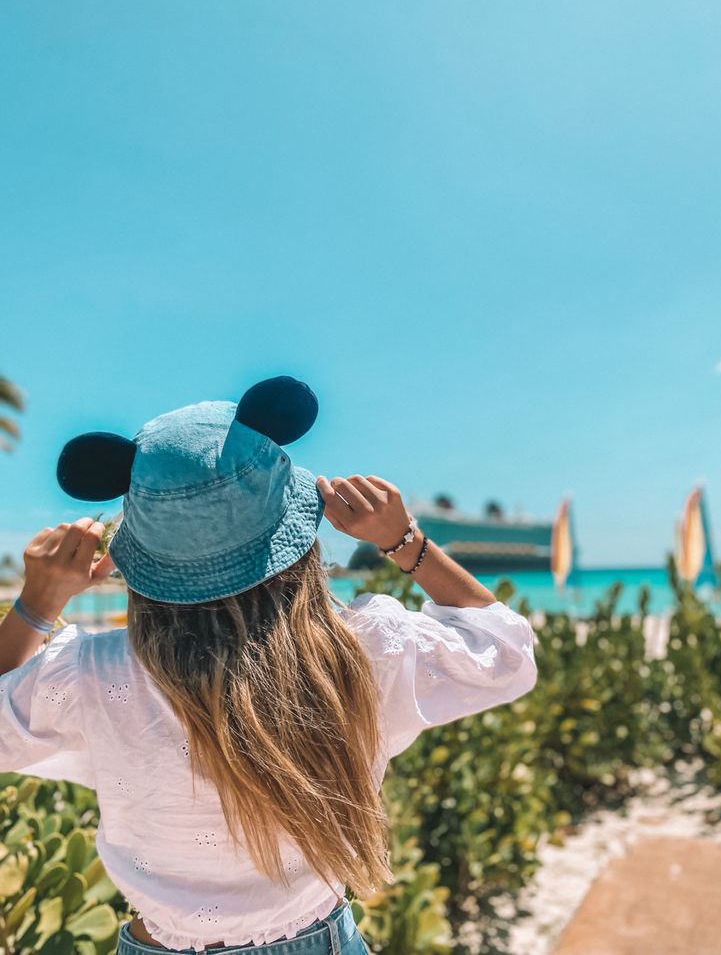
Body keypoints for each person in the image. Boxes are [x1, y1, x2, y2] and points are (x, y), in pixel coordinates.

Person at [0, 376, 538, 955]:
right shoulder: (362, 649)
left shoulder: (91, 674)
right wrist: (404, 541)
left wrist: (37, 604)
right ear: (296, 533)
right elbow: (505, 654)